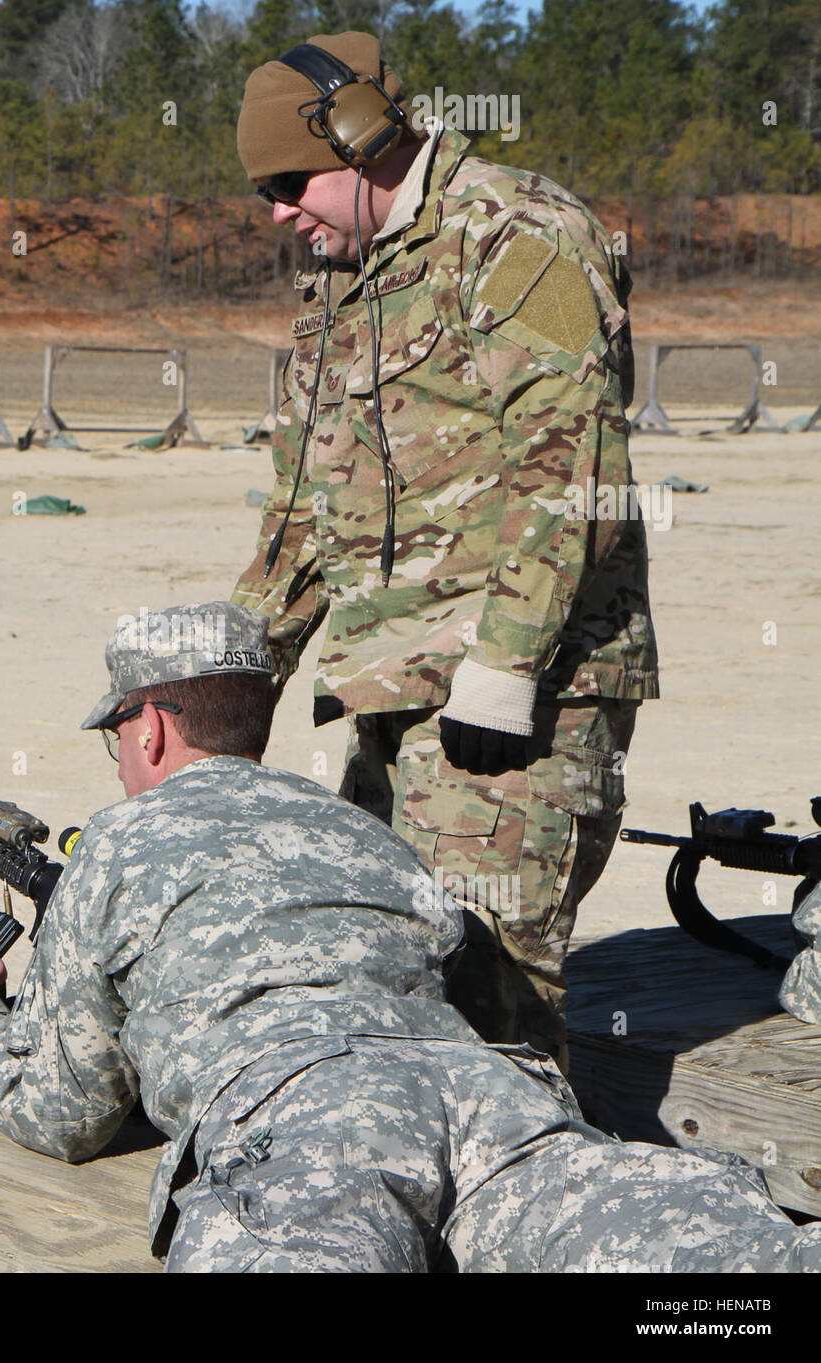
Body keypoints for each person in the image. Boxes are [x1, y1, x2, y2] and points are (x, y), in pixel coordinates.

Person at [0, 603, 819, 1272]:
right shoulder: (367, 832)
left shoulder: (118, 840)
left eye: (116, 729)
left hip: (313, 1117)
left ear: (148, 726)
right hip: (489, 1095)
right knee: (715, 1264)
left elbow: (64, 1113)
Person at [229, 32, 660, 1070]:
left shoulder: (516, 235)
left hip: (518, 704)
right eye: (261, 193)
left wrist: (505, 666)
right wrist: (234, 671)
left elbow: (572, 466)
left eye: (291, 183)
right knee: (380, 982)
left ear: (364, 138)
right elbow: (301, 502)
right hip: (392, 694)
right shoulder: (343, 283)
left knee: (488, 1024)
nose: (280, 213)